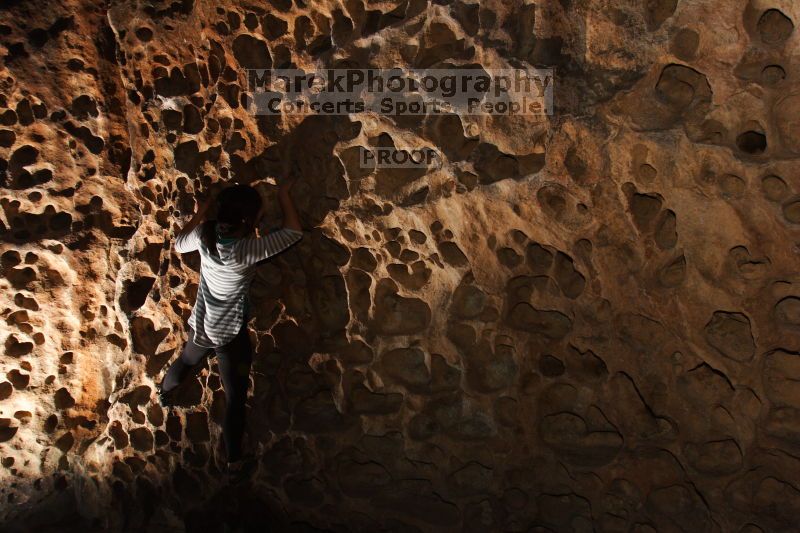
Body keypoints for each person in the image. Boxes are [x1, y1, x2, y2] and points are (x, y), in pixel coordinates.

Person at [158, 176, 303, 478]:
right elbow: (293, 232)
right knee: (235, 396)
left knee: (186, 359)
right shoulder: (246, 250)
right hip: (228, 333)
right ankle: (234, 460)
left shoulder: (205, 235)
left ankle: (166, 395)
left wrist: (201, 210)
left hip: (202, 322)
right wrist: (284, 194)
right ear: (248, 221)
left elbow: (179, 243)